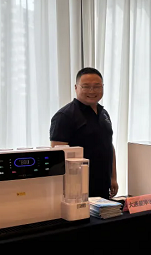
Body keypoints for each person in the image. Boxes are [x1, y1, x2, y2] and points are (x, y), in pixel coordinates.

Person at [50, 68, 118, 199]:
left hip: (103, 183)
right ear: (76, 88)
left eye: (97, 86)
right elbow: (57, 157)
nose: (92, 91)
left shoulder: (103, 113)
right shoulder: (64, 116)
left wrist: (113, 177)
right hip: (77, 189)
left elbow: (109, 146)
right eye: (86, 86)